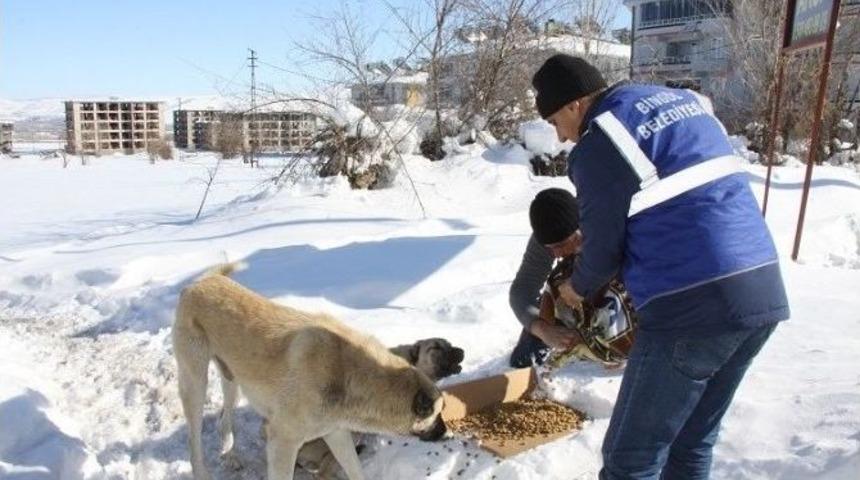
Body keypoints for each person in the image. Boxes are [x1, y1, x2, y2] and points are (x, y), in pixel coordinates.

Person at [531, 54, 790, 480]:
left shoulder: (600, 141)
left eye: (555, 120)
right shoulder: (678, 102)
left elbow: (601, 251)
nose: (559, 136)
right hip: (760, 290)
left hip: (692, 306)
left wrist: (577, 288)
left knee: (629, 460)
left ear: (575, 104)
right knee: (689, 443)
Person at [508, 187, 584, 368]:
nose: (556, 254)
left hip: (622, 297)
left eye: (561, 245)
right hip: (574, 301)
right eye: (549, 248)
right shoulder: (546, 236)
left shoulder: (606, 223)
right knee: (525, 359)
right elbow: (522, 289)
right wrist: (542, 329)